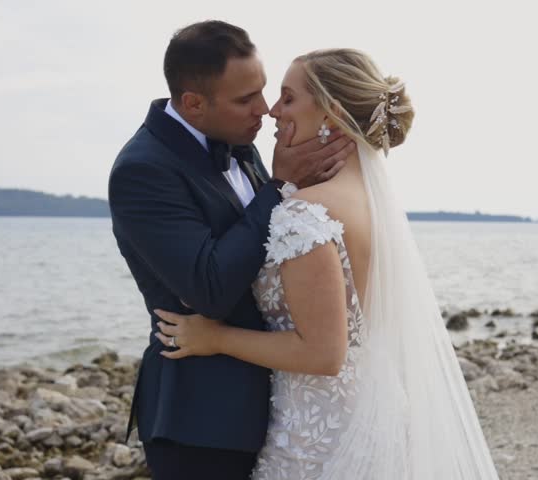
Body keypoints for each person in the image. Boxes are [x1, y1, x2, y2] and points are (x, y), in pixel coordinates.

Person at [155, 48, 501, 479]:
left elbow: (321, 353)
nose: (273, 112)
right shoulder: (371, 205)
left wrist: (216, 337)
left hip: (320, 439)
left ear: (331, 115)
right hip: (374, 412)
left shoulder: (305, 213)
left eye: (288, 98)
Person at [107, 21, 354, 480]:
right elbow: (210, 290)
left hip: (281, 406)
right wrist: (279, 185)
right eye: (246, 99)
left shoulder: (239, 142)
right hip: (202, 420)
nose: (264, 110)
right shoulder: (141, 171)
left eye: (263, 91)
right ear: (193, 103)